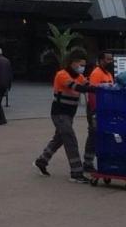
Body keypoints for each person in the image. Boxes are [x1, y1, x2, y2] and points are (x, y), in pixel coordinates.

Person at [34, 54, 99, 184]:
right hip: (59, 113)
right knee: (70, 139)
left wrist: (100, 87)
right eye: (80, 64)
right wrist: (96, 88)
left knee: (59, 139)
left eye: (84, 65)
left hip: (68, 115)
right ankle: (76, 173)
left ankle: (42, 161)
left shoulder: (79, 77)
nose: (82, 67)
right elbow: (77, 87)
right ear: (72, 63)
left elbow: (88, 84)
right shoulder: (62, 75)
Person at [83, 52, 116, 171]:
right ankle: (87, 162)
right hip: (96, 109)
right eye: (108, 59)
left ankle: (104, 160)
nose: (110, 61)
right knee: (93, 134)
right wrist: (95, 111)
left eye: (111, 59)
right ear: (101, 60)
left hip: (106, 109)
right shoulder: (96, 73)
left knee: (103, 135)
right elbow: (92, 93)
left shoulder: (108, 74)